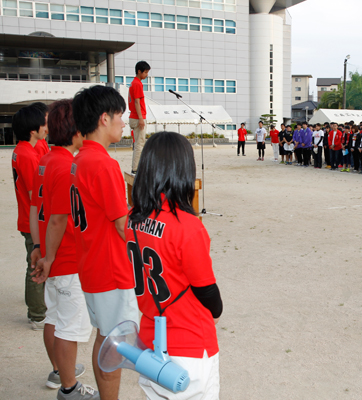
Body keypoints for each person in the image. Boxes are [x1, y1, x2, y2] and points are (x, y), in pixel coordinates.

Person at [126, 131, 222, 400]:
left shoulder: (132, 219)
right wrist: (218, 308)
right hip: (188, 345)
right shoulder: (187, 226)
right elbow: (206, 290)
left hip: (150, 343)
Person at [71, 85, 138, 400]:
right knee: (116, 343)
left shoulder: (79, 159)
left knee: (105, 338)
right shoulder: (103, 163)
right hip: (111, 267)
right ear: (104, 118)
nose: (123, 123)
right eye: (120, 117)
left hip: (92, 264)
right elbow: (122, 224)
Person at [30, 100, 96, 399]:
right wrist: (49, 256)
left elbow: (35, 208)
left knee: (55, 318)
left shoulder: (45, 159)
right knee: (70, 326)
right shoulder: (66, 164)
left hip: (51, 252)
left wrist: (38, 247)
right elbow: (58, 217)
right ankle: (69, 388)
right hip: (66, 256)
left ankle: (60, 372)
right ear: (75, 129)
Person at [11, 103, 48, 330]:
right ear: (33, 129)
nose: (47, 127)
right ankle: (37, 314)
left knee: (35, 262)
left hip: (31, 217)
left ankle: (38, 307)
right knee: (35, 265)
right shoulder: (25, 153)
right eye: (43, 123)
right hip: (32, 219)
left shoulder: (27, 149)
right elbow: (37, 195)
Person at [129, 61, 151, 174]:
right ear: (139, 71)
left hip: (134, 116)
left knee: (138, 142)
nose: (147, 75)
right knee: (140, 143)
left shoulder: (134, 83)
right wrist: (141, 118)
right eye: (145, 72)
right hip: (138, 117)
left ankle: (136, 167)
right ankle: (136, 168)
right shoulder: (137, 84)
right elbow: (137, 102)